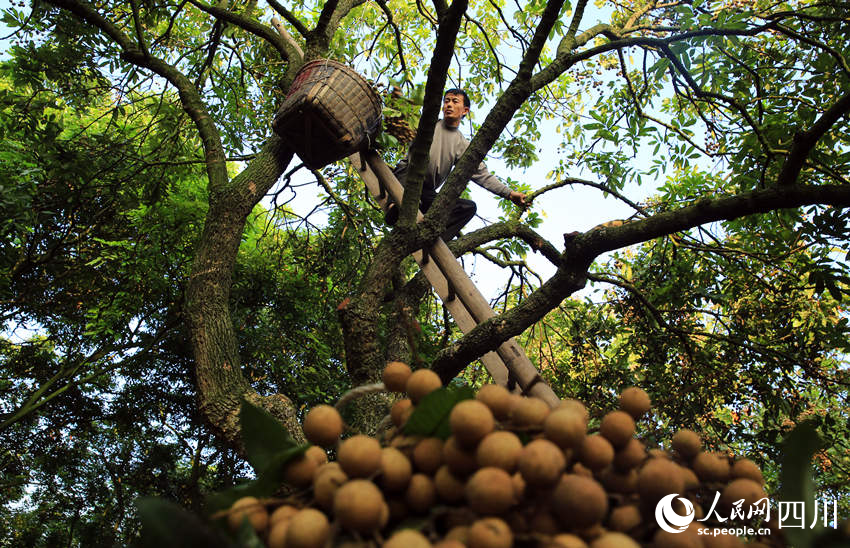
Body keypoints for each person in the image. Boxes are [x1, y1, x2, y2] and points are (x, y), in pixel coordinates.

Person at [385, 88, 527, 241]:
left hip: (426, 192)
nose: (449, 105)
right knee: (406, 169)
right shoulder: (429, 123)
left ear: (465, 110)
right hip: (408, 176)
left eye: (454, 101)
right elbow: (403, 119)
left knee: (468, 208)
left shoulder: (462, 144)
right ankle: (394, 208)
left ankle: (433, 238)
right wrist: (397, 99)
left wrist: (510, 194)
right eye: (446, 101)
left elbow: (483, 175)